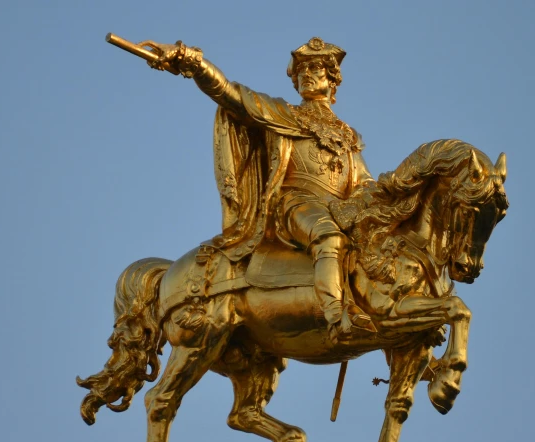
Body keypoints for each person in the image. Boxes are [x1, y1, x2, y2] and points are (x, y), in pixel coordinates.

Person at [144, 37, 377, 338]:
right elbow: (230, 93)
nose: (306, 74)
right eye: (301, 70)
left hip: (339, 211)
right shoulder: (284, 114)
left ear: (332, 79)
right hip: (296, 204)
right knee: (327, 236)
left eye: (315, 68)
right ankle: (337, 315)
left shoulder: (348, 136)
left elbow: (362, 180)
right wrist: (191, 61)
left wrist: (377, 197)